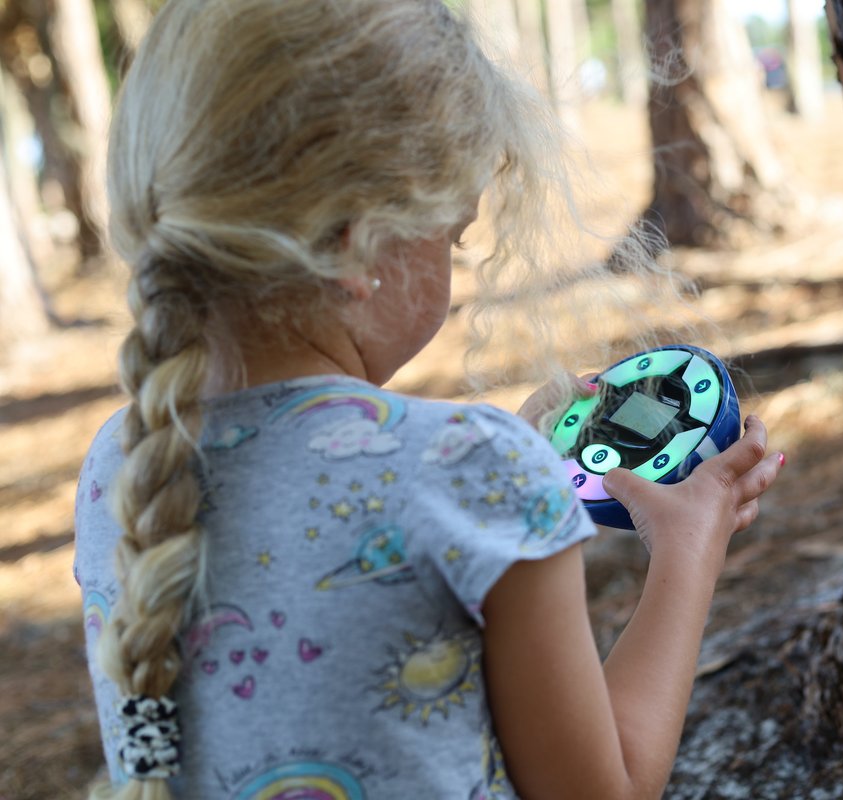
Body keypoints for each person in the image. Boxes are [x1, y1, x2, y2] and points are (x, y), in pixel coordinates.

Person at [74, 0, 784, 798]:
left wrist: (510, 498)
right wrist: (688, 548)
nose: (458, 259)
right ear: (358, 243)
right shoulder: (472, 473)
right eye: (455, 235)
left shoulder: (123, 465)